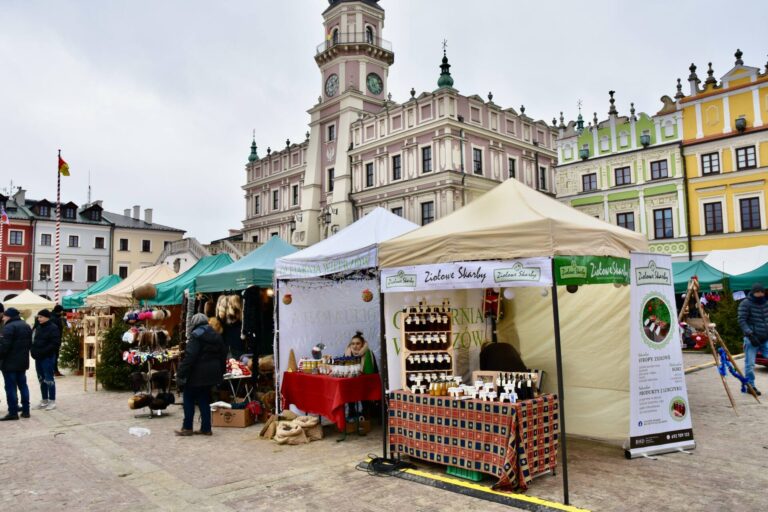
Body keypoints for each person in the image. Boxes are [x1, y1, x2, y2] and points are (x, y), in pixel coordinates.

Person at [175, 313, 227, 436]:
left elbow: (190, 356)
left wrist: (181, 373)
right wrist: (221, 372)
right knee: (204, 399)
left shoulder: (196, 335)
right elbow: (223, 355)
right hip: (212, 374)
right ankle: (206, 428)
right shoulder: (216, 335)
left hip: (197, 373)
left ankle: (187, 427)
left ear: (194, 323)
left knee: (188, 398)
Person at [0, 308, 32, 420]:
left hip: (9, 363)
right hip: (22, 362)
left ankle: (13, 412)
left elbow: (4, 347)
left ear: (9, 316)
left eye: (4, 316)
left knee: (10, 388)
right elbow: (29, 344)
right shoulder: (26, 325)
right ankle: (26, 410)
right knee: (23, 386)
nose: (3, 318)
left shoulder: (8, 327)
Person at [738, 282, 768, 396]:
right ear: (754, 292)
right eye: (758, 292)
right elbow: (741, 320)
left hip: (765, 338)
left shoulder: (765, 303)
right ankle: (750, 386)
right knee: (750, 365)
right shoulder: (745, 303)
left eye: (762, 292)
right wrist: (750, 335)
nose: (760, 294)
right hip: (751, 339)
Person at [31, 309, 61, 411]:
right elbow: (34, 341)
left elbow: (55, 343)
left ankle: (52, 400)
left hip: (47, 357)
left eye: (41, 317)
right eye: (38, 317)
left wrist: (43, 352)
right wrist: (33, 351)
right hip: (38, 358)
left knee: (49, 379)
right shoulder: (38, 327)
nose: (39, 319)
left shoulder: (53, 328)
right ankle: (44, 400)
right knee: (41, 378)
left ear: (47, 317)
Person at [51, 305, 66, 377]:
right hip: (55, 340)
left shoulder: (54, 317)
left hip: (54, 340)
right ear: (59, 311)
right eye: (61, 311)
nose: (62, 312)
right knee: (54, 356)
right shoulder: (55, 319)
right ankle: (55, 371)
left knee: (54, 356)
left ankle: (54, 370)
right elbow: (58, 330)